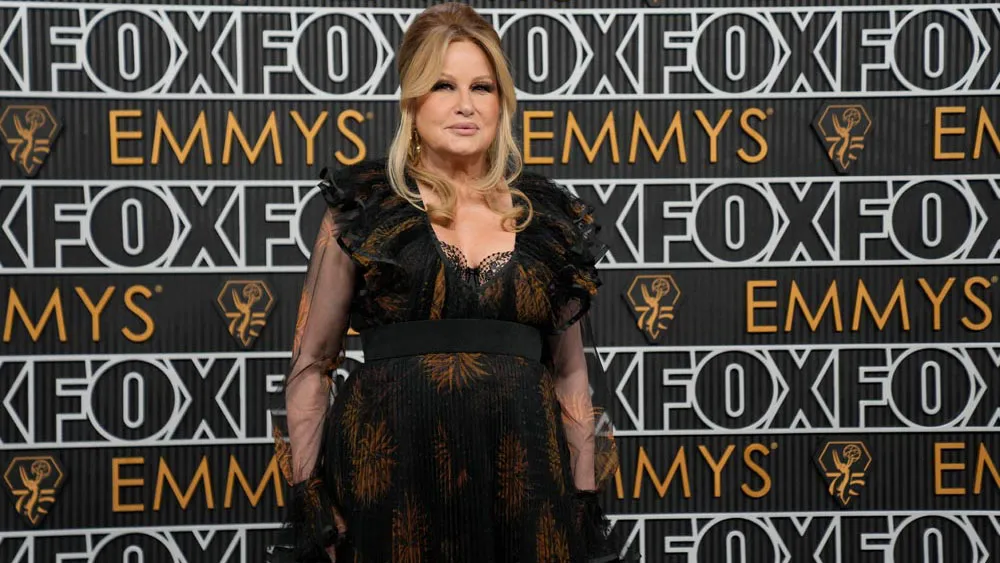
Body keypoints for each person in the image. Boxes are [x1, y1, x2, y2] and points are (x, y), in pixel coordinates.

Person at [269, 4, 632, 562]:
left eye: (482, 87)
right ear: (412, 100)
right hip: (388, 487)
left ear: (502, 101)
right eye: (443, 85)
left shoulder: (548, 220)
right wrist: (312, 499)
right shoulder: (364, 209)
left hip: (525, 491)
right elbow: (312, 366)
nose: (466, 104)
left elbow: (570, 375)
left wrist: (582, 501)